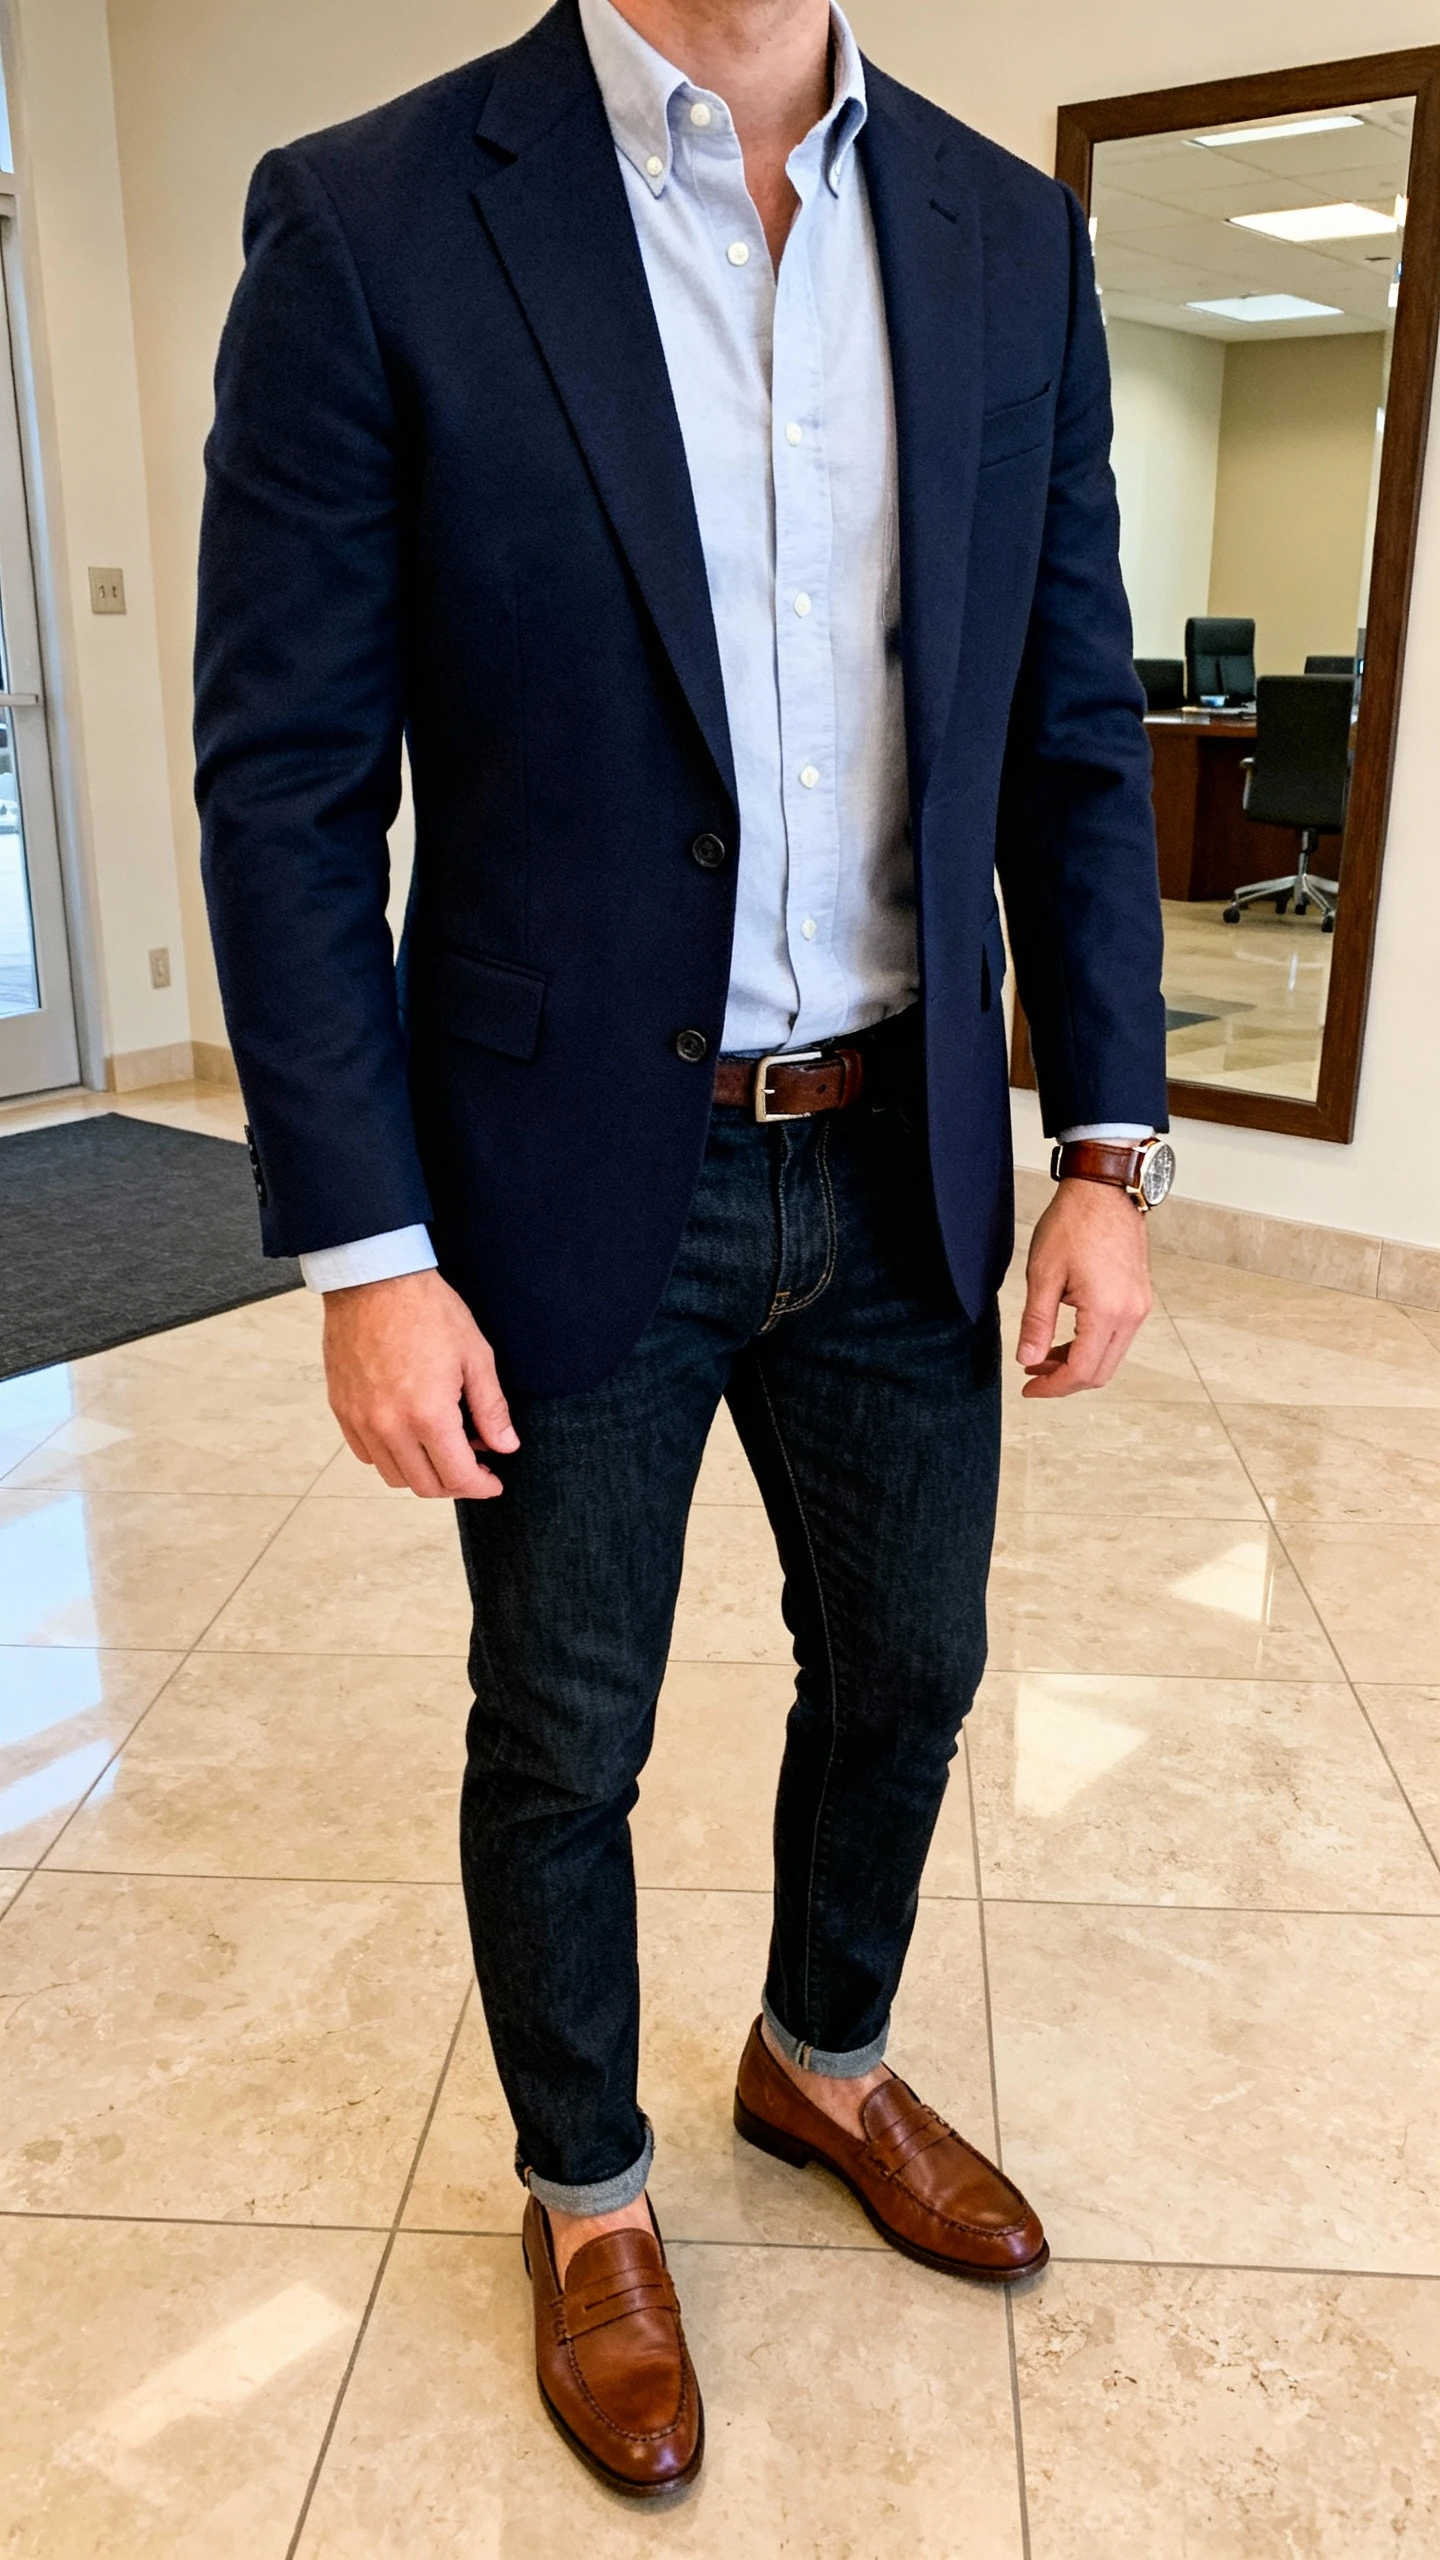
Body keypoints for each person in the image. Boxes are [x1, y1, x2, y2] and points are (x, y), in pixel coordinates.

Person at [196, 0, 1171, 2499]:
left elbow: (1071, 720)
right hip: (548, 1178)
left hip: (898, 1159)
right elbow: (293, 779)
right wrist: (363, 1248)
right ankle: (589, 2192)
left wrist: (1108, 1146)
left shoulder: (1004, 236)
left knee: (917, 1656)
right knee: (566, 1726)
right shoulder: (375, 212)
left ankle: (819, 2054)